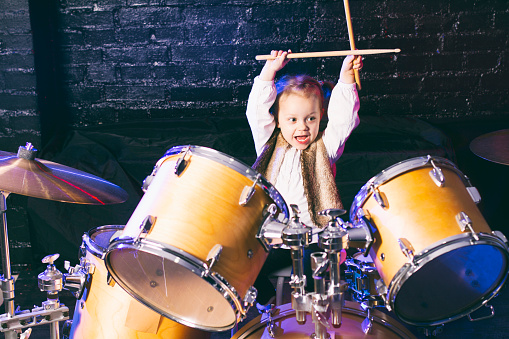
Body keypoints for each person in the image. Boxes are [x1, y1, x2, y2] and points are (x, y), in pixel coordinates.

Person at [246, 50, 362, 306]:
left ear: (322, 116)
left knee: (313, 276)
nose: (302, 127)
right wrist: (268, 73)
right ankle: (267, 304)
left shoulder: (327, 146)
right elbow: (255, 112)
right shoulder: (268, 144)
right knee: (243, 263)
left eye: (311, 118)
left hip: (314, 237)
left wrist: (347, 78)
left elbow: (344, 119)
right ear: (276, 120)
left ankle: (308, 316)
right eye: (293, 120)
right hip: (275, 238)